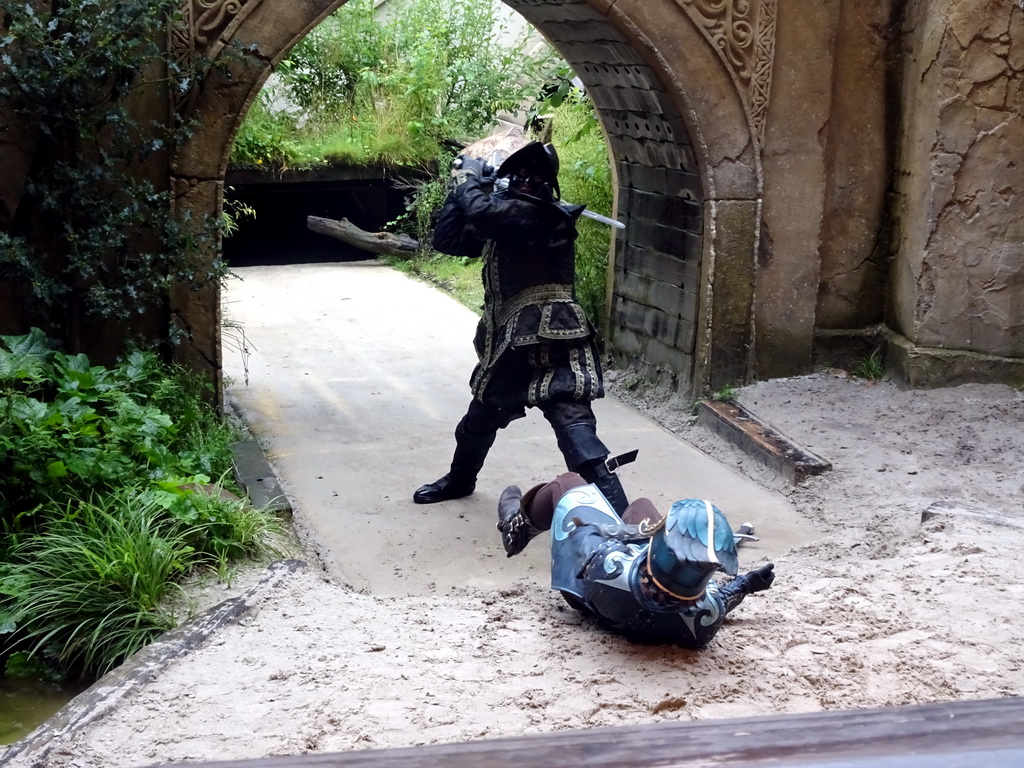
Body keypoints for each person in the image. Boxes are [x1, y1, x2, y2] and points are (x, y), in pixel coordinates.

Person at [413, 141, 629, 513]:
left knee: (576, 432)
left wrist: (469, 183)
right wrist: (460, 190)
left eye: (537, 175)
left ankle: (624, 519)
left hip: (554, 339)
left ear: (549, 184)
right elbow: (448, 240)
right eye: (520, 174)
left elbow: (486, 215)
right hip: (510, 344)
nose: (528, 180)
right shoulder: (505, 218)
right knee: (478, 419)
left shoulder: (544, 216)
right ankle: (460, 480)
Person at [496, 472, 775, 648]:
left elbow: (585, 531)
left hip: (592, 591)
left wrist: (638, 532)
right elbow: (724, 598)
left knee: (568, 483)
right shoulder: (703, 623)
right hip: (648, 611)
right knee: (641, 506)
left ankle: (517, 525)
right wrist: (748, 583)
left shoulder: (606, 563)